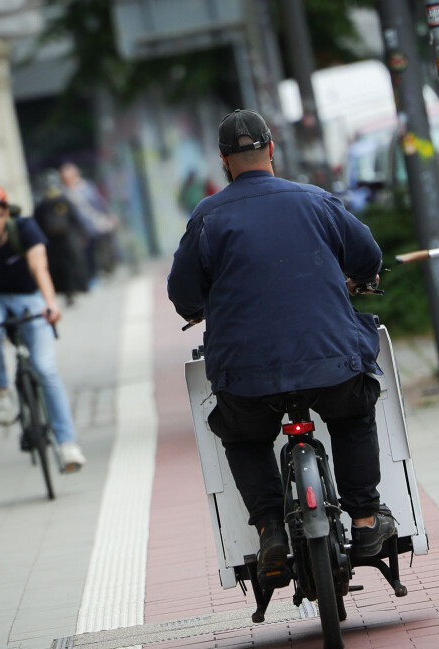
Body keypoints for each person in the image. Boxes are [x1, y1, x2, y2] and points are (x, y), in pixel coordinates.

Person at [167, 109, 396, 585]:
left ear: (224, 161)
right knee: (353, 416)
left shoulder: (207, 217)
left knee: (244, 436)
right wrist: (363, 278)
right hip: (331, 360)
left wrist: (196, 307)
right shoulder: (316, 200)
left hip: (246, 374)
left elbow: (183, 292)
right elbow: (367, 254)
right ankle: (366, 521)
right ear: (271, 150)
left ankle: (270, 527)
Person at [0, 182, 86, 472]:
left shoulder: (25, 228)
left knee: (45, 368)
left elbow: (40, 268)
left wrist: (51, 303)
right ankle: (1, 393)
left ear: (7, 213)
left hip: (29, 297)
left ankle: (67, 445)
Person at [34, 172, 89, 306]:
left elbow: (36, 223)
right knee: (69, 266)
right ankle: (70, 292)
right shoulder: (63, 200)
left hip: (53, 243)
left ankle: (66, 292)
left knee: (59, 268)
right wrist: (83, 234)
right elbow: (75, 218)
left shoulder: (42, 203)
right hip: (65, 241)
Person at [59, 162, 120, 282]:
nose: (68, 180)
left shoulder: (87, 186)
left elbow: (100, 202)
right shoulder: (64, 193)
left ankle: (108, 270)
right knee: (89, 252)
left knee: (106, 248)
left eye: (69, 177)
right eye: (65, 178)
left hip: (99, 222)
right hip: (82, 228)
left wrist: (110, 215)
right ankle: (94, 275)